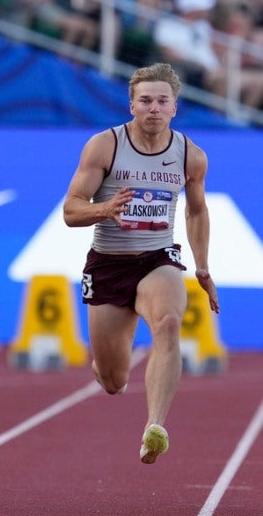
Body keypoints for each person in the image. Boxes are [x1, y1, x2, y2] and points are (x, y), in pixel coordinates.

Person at [63, 62, 219, 465]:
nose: (154, 108)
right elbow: (70, 210)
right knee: (113, 380)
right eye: (145, 100)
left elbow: (198, 213)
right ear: (131, 105)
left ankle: (155, 427)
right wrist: (104, 209)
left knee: (168, 323)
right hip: (109, 263)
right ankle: (107, 363)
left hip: (157, 258)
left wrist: (201, 267)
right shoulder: (105, 146)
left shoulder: (191, 156)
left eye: (162, 101)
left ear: (174, 108)